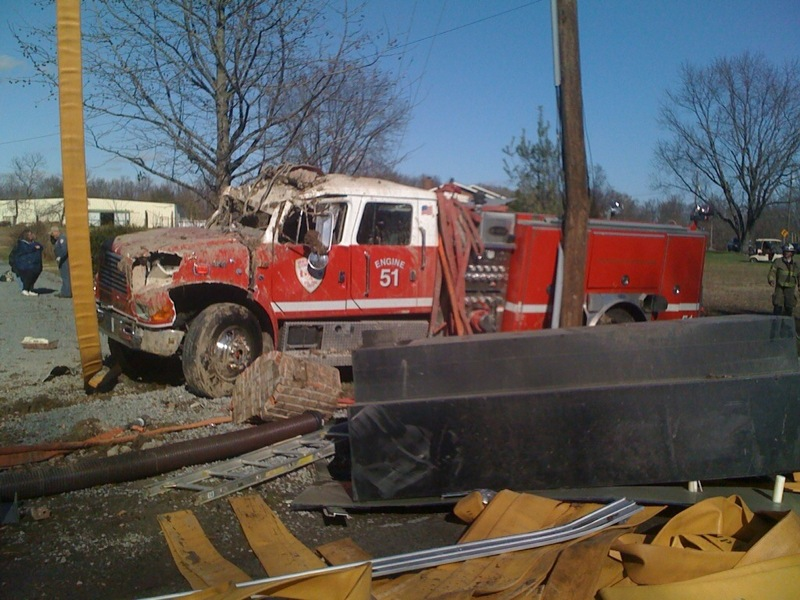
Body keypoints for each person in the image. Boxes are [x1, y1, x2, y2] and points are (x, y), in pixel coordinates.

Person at [8, 229, 43, 296]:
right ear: (25, 236)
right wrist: (34, 247)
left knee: (33, 276)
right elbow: (26, 249)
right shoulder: (21, 244)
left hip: (36, 265)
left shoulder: (34, 243)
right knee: (28, 276)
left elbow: (40, 247)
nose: (31, 236)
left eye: (31, 234)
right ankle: (25, 289)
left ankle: (30, 289)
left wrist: (37, 247)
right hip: (26, 265)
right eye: (29, 234)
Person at [768, 244, 799, 316]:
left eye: (788, 252)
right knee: (778, 304)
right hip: (780, 287)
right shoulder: (778, 262)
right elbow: (772, 271)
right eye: (785, 251)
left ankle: (786, 324)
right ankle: (776, 323)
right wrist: (771, 279)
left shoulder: (796, 264)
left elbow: (799, 275)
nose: (786, 253)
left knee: (789, 306)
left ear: (792, 253)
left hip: (790, 288)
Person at [49, 225, 72, 298]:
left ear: (56, 232)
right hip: (62, 261)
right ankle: (64, 291)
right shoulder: (58, 240)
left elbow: (64, 249)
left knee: (66, 277)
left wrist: (60, 257)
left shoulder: (62, 238)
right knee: (64, 276)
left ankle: (67, 293)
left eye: (52, 234)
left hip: (64, 261)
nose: (52, 235)